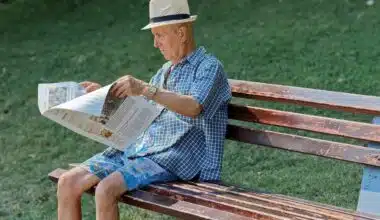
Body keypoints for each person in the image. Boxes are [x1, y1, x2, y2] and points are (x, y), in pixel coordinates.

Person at [56, 0, 232, 219]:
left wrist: (145, 89)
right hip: (141, 148)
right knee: (67, 182)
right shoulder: (166, 71)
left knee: (105, 189)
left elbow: (194, 106)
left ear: (181, 33)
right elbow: (141, 109)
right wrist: (100, 96)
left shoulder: (209, 67)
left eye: (159, 35)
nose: (155, 44)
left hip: (175, 157)